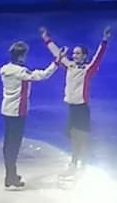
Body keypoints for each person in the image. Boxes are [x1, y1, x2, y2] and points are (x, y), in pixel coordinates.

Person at [40, 26, 111, 176]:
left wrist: (104, 40)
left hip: (81, 109)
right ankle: (74, 163)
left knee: (82, 139)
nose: (74, 55)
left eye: (78, 53)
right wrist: (46, 39)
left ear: (84, 56)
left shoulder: (87, 69)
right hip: (71, 108)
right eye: (73, 53)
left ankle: (82, 165)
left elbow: (98, 57)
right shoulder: (70, 66)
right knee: (73, 137)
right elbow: (57, 53)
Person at [0, 41, 58, 190]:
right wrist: (56, 63)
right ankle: (10, 177)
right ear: (20, 57)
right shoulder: (21, 72)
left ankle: (10, 174)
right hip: (18, 112)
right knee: (14, 146)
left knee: (8, 144)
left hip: (7, 110)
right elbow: (42, 76)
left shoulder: (4, 69)